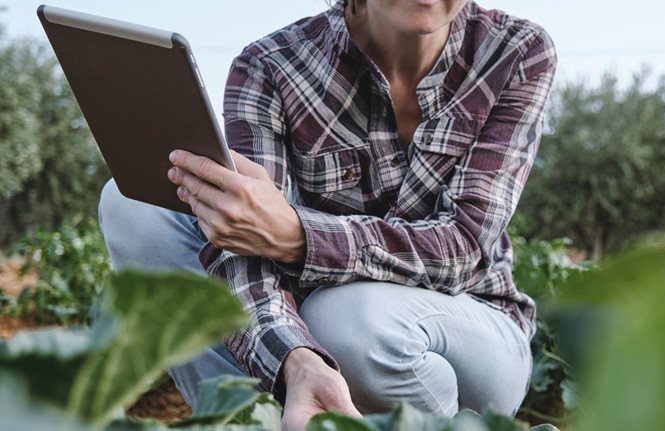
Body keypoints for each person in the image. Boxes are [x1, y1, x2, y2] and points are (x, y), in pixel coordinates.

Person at [98, 0, 557, 429]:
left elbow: (461, 247)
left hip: (474, 330)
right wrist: (297, 360)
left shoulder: (515, 52)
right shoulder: (271, 66)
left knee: (346, 322)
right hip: (311, 338)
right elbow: (241, 244)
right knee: (135, 203)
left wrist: (300, 237)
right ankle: (241, 415)